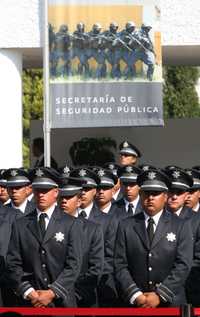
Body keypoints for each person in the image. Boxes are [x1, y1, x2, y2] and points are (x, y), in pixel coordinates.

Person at [114, 168, 193, 307]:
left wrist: (160, 295)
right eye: (146, 193)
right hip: (137, 303)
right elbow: (120, 264)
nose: (150, 197)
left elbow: (183, 265)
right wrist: (135, 294)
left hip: (170, 302)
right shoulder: (126, 225)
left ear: (165, 195)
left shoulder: (180, 225)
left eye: (155, 193)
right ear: (141, 194)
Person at [6, 167, 83, 307]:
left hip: (61, 301)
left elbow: (74, 265)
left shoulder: (71, 223)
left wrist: (51, 293)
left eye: (45, 190)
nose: (41, 194)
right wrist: (29, 292)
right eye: (37, 190)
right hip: (31, 301)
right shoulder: (20, 224)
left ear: (55, 192)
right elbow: (13, 263)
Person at [58, 176, 104, 307]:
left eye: (69, 197)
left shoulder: (92, 229)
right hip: (54, 297)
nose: (64, 201)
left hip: (83, 298)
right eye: (61, 197)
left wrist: (74, 294)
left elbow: (96, 267)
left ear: (78, 201)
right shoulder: (48, 228)